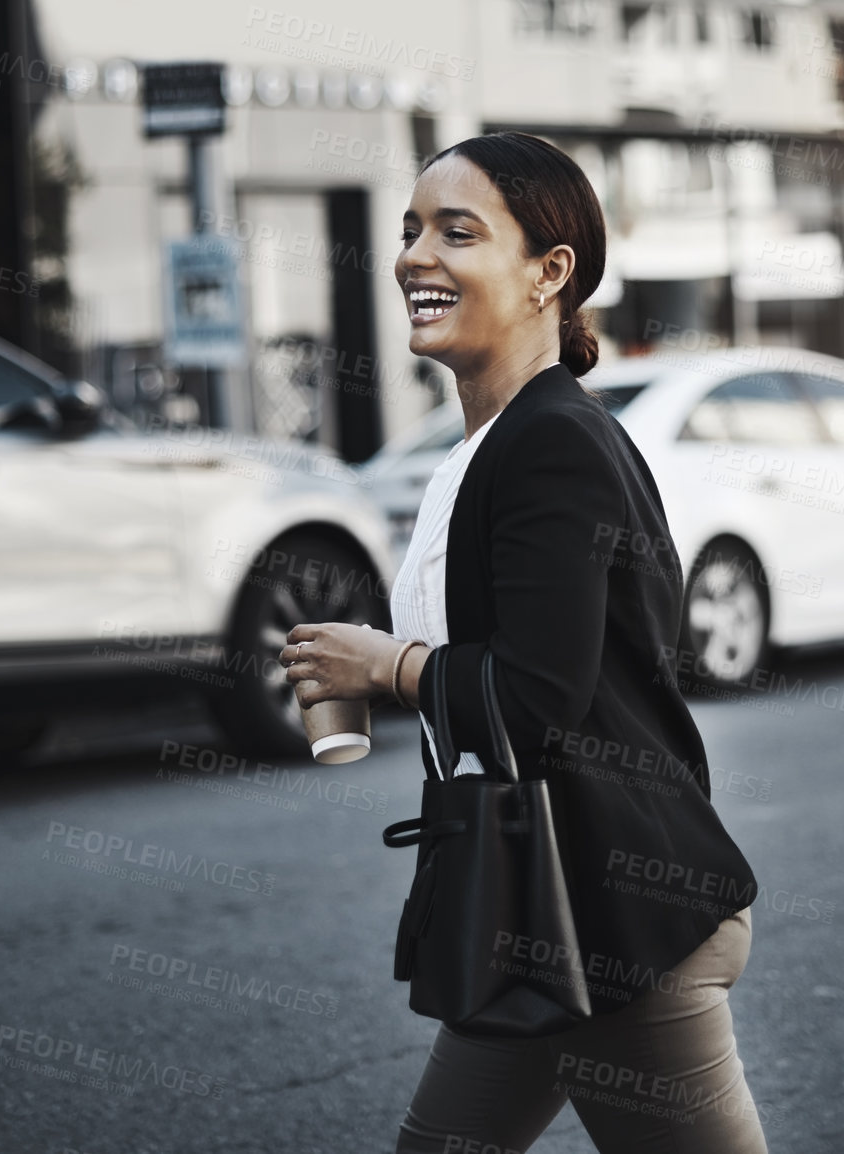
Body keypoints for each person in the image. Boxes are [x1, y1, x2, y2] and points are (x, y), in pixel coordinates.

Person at [275, 132, 769, 1154]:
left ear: (550, 272)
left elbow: (540, 694)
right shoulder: (493, 444)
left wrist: (384, 664)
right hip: (538, 901)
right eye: (410, 230)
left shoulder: (552, 440)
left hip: (618, 917)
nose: (416, 255)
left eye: (458, 231)